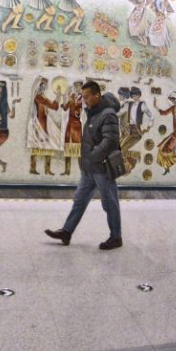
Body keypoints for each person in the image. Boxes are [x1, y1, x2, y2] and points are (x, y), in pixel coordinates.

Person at [45, 81, 122, 250]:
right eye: (83, 96)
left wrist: (93, 156)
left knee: (109, 203)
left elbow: (110, 141)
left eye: (86, 97)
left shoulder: (107, 114)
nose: (84, 100)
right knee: (79, 200)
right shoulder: (94, 112)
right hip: (89, 169)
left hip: (102, 169)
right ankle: (67, 231)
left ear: (96, 95)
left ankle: (116, 237)